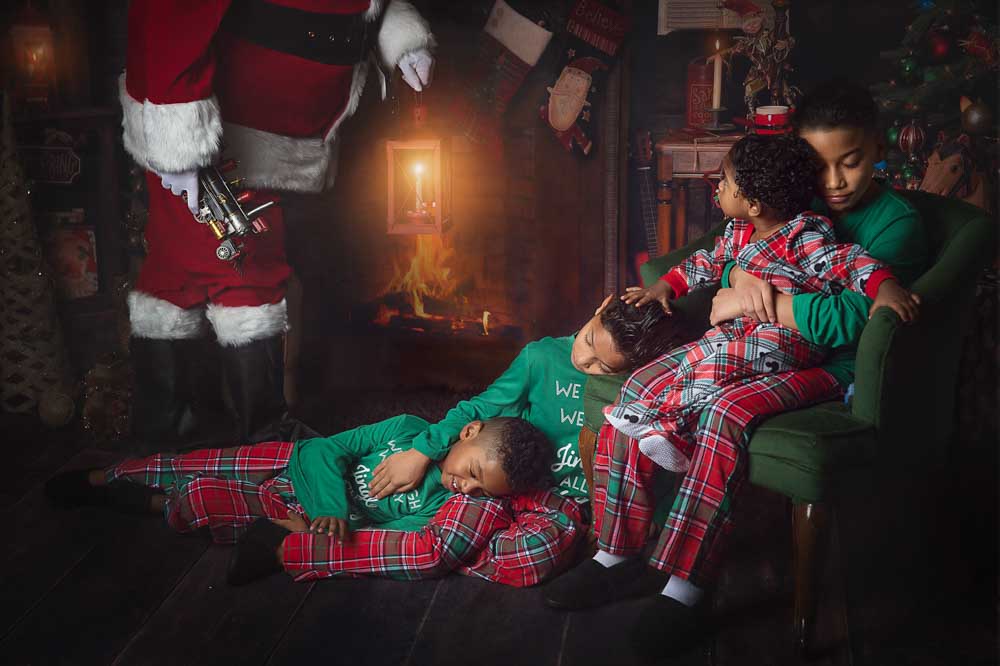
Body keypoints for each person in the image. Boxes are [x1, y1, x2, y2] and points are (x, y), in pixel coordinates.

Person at [543, 81, 929, 662]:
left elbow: (848, 314)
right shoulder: (788, 205)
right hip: (747, 346)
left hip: (829, 368)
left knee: (724, 411)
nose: (831, 182)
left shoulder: (882, 224)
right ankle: (616, 555)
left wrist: (758, 301)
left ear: (877, 147)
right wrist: (703, 288)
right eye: (815, 165)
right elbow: (722, 261)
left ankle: (685, 587)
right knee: (638, 386)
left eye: (848, 162)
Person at [121, 1, 436, 446]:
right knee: (244, 269)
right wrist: (177, 138)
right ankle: (257, 435)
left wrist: (396, 37)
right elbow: (172, 16)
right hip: (214, 132)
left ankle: (175, 431)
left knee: (181, 273)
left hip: (273, 134)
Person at [602, 133, 918, 472]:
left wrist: (884, 287)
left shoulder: (804, 235)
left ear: (753, 204)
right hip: (740, 328)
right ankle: (658, 420)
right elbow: (707, 262)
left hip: (786, 338)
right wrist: (666, 285)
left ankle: (670, 428)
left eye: (724, 181)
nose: (717, 187)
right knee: (697, 357)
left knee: (719, 364)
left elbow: (850, 261)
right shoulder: (738, 231)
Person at [45, 415, 576, 588]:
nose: (469, 488)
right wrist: (332, 509)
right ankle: (106, 475)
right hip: (293, 465)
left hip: (298, 514)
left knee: (205, 505)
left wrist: (312, 530)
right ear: (468, 432)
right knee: (202, 462)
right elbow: (329, 449)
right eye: (474, 472)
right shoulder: (410, 430)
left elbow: (397, 535)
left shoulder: (442, 507)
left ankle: (149, 504)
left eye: (483, 492)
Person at [365, 295, 702, 505]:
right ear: (599, 308)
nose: (584, 361)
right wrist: (421, 450)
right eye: (587, 340)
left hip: (584, 506)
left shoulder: (635, 386)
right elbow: (479, 410)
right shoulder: (540, 358)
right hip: (517, 490)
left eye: (602, 366)